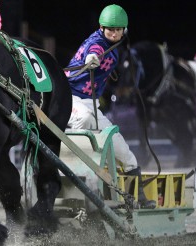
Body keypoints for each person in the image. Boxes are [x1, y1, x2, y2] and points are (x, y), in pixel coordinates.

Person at [65, 4, 156, 209]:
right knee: (86, 119)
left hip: (92, 105)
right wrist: (91, 59)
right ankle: (82, 189)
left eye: (118, 30)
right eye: (110, 29)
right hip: (72, 100)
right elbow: (93, 50)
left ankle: (138, 199)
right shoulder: (97, 42)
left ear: (125, 30)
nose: (114, 34)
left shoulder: (117, 47)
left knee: (125, 152)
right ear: (101, 27)